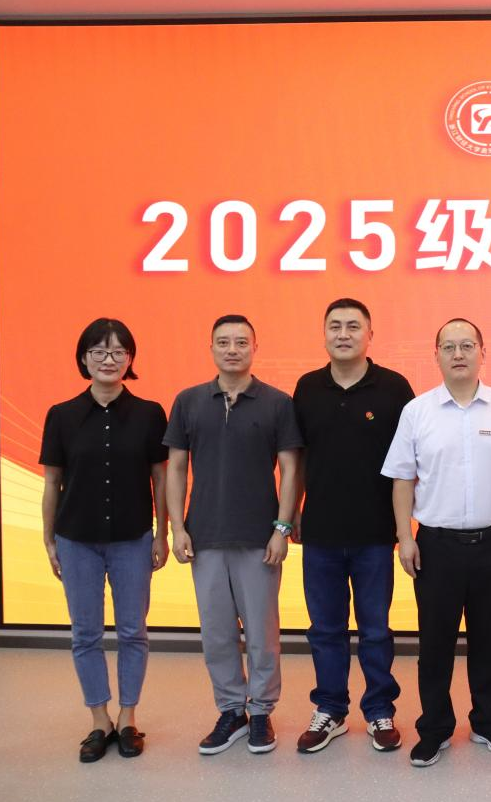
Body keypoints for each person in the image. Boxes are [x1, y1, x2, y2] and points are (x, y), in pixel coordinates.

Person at [381, 318, 491, 768]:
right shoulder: (418, 411)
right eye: (449, 347)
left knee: (489, 640)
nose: (458, 354)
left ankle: (488, 722)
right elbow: (402, 479)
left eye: (467, 345)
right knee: (435, 644)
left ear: (483, 352)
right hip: (436, 546)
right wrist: (404, 536)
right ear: (436, 356)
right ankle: (434, 728)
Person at [165, 314, 303, 755]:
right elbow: (176, 469)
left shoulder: (277, 403)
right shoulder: (188, 401)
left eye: (241, 342)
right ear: (211, 348)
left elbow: (291, 470)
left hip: (260, 539)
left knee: (263, 633)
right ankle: (231, 711)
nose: (232, 349)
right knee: (217, 633)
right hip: (204, 537)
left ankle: (260, 711)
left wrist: (282, 527)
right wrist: (177, 527)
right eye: (223, 342)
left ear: (254, 348)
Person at [40, 318, 169, 762]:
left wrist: (162, 534)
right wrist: (49, 539)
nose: (108, 359)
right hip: (76, 540)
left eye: (118, 352)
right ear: (84, 358)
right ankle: (99, 720)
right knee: (85, 634)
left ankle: (128, 717)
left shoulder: (150, 413)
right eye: (98, 351)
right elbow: (52, 483)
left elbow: (160, 479)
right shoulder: (61, 415)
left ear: (130, 359)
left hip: (133, 538)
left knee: (133, 631)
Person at [292, 298, 415, 754]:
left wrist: (404, 529)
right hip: (320, 532)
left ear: (369, 334)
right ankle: (330, 709)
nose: (343, 334)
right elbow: (297, 458)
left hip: (375, 534)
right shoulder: (307, 388)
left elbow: (408, 464)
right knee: (325, 629)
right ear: (324, 333)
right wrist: (293, 512)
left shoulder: (394, 388)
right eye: (335, 326)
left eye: (353, 326)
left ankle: (380, 709)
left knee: (376, 629)